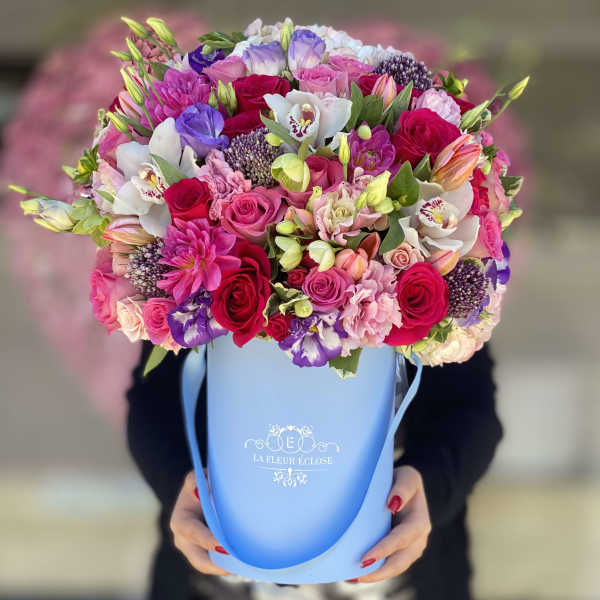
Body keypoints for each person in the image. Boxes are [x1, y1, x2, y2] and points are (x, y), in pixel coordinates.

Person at [127, 340, 501, 600]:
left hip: (397, 584)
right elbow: (152, 399)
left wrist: (426, 488)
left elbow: (472, 409)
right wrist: (182, 485)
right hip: (215, 586)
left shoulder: (429, 252)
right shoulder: (194, 250)